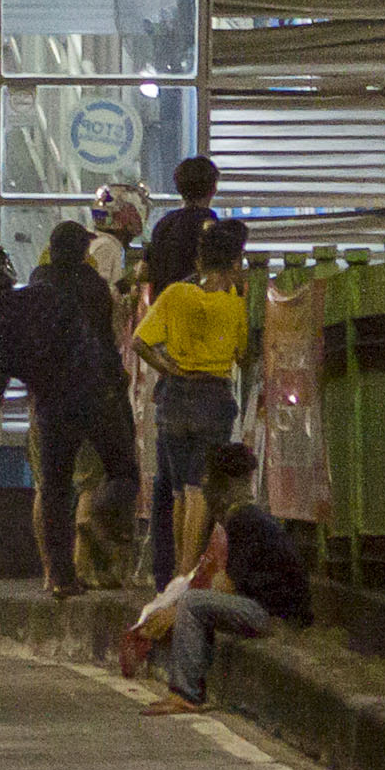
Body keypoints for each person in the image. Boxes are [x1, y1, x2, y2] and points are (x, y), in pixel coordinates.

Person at [0, 224, 140, 597]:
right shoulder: (48, 296)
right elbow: (93, 342)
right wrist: (111, 384)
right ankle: (98, 516)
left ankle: (61, 578)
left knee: (54, 492)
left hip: (53, 409)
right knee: (124, 472)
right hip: (96, 397)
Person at [141, 439, 317, 713]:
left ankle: (186, 694)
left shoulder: (244, 519)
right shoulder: (249, 518)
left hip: (275, 616)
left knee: (191, 605)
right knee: (194, 603)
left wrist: (176, 612)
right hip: (272, 609)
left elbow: (228, 587)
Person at [134, 217, 254, 586]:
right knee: (198, 488)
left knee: (177, 492)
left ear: (200, 262)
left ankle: (172, 575)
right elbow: (242, 356)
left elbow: (140, 342)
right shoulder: (234, 305)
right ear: (234, 265)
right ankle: (186, 574)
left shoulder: (174, 294)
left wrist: (167, 366)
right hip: (213, 397)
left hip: (175, 397)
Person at [140, 156, 221, 301]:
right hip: (194, 306)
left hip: (162, 307)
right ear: (213, 188)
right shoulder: (210, 224)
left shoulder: (164, 222)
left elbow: (145, 270)